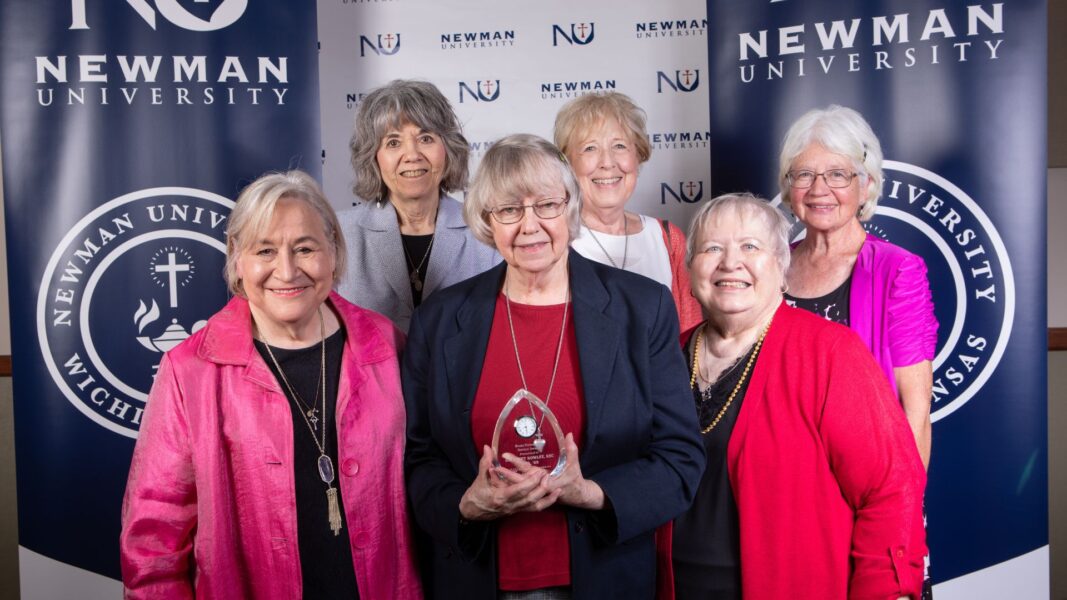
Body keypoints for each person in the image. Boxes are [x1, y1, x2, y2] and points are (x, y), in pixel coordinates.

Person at [403, 134, 705, 599]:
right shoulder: (440, 321)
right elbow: (418, 460)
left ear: (570, 208)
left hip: (606, 578)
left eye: (546, 204)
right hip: (476, 578)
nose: (530, 226)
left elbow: (680, 459)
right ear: (487, 221)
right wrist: (466, 504)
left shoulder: (641, 308)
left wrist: (593, 493)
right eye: (508, 210)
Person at [120, 171, 421, 599]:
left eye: (305, 248)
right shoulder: (190, 370)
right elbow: (154, 540)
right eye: (265, 250)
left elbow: (426, 483)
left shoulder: (387, 345)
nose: (287, 270)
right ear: (237, 261)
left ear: (333, 253)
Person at [672, 193, 926, 599]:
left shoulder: (829, 353)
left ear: (781, 265)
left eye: (750, 247)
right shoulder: (666, 355)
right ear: (690, 269)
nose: (729, 262)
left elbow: (891, 488)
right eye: (711, 248)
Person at [779, 106, 937, 598]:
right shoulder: (770, 264)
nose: (819, 188)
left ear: (865, 184)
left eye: (838, 174)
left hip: (867, 498)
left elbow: (914, 412)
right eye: (804, 173)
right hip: (785, 496)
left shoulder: (898, 271)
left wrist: (897, 512)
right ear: (788, 187)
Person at [338, 79, 500, 332]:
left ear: (447, 147)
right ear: (373, 156)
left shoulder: (486, 231)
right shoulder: (339, 234)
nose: (412, 155)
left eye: (426, 138)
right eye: (393, 142)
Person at [554, 91, 703, 332]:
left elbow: (689, 337)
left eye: (620, 146)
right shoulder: (554, 241)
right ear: (568, 163)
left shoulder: (668, 238)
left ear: (638, 155)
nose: (607, 162)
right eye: (590, 148)